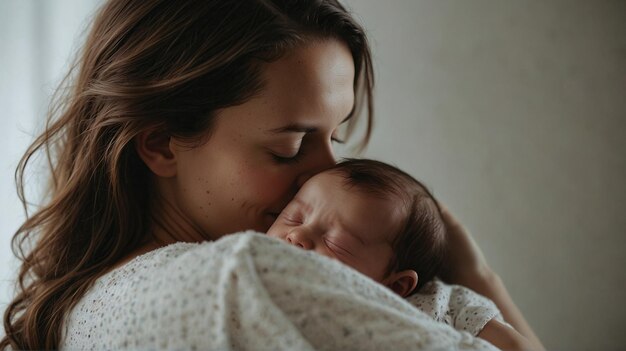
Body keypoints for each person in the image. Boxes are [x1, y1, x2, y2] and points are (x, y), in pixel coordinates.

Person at [0, 0, 544, 350]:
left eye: (337, 136)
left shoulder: (81, 306)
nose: (327, 174)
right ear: (162, 142)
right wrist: (477, 277)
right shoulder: (248, 279)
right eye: (288, 148)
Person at [267, 158, 538, 350]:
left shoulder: (439, 303)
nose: (298, 235)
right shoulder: (259, 290)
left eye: (338, 243)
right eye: (293, 217)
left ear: (396, 286)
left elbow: (515, 346)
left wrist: (478, 275)